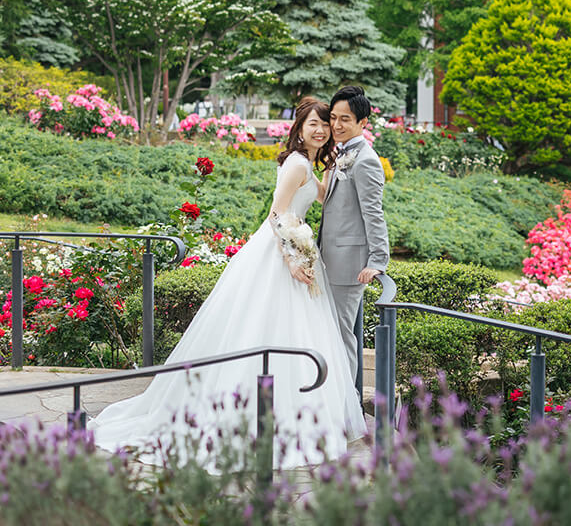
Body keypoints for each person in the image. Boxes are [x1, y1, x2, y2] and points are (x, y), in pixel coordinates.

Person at [90, 98, 366, 468]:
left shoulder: (305, 164)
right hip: (278, 252)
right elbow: (277, 212)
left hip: (293, 246)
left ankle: (287, 413)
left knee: (286, 331)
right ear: (299, 127)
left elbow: (320, 194)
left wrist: (346, 156)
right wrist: (291, 258)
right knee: (265, 329)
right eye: (312, 124)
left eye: (325, 125)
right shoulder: (297, 163)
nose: (320, 129)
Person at [320, 85, 390, 385]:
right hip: (329, 258)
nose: (336, 125)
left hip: (349, 266)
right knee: (331, 333)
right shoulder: (343, 153)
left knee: (341, 337)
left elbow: (373, 213)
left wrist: (377, 260)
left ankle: (346, 410)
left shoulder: (366, 160)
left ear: (362, 122)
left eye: (344, 119)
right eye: (333, 117)